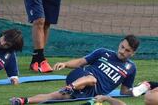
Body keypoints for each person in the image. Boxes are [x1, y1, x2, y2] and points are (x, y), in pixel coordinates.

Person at [10, 35, 140, 105]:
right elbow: (81, 62)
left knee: (55, 96)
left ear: (133, 53)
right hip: (79, 77)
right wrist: (65, 64)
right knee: (92, 79)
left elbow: (124, 91)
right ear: (119, 44)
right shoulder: (103, 52)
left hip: (90, 92)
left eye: (127, 50)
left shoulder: (131, 69)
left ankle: (23, 100)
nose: (122, 51)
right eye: (122, 46)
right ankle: (71, 87)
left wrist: (139, 90)